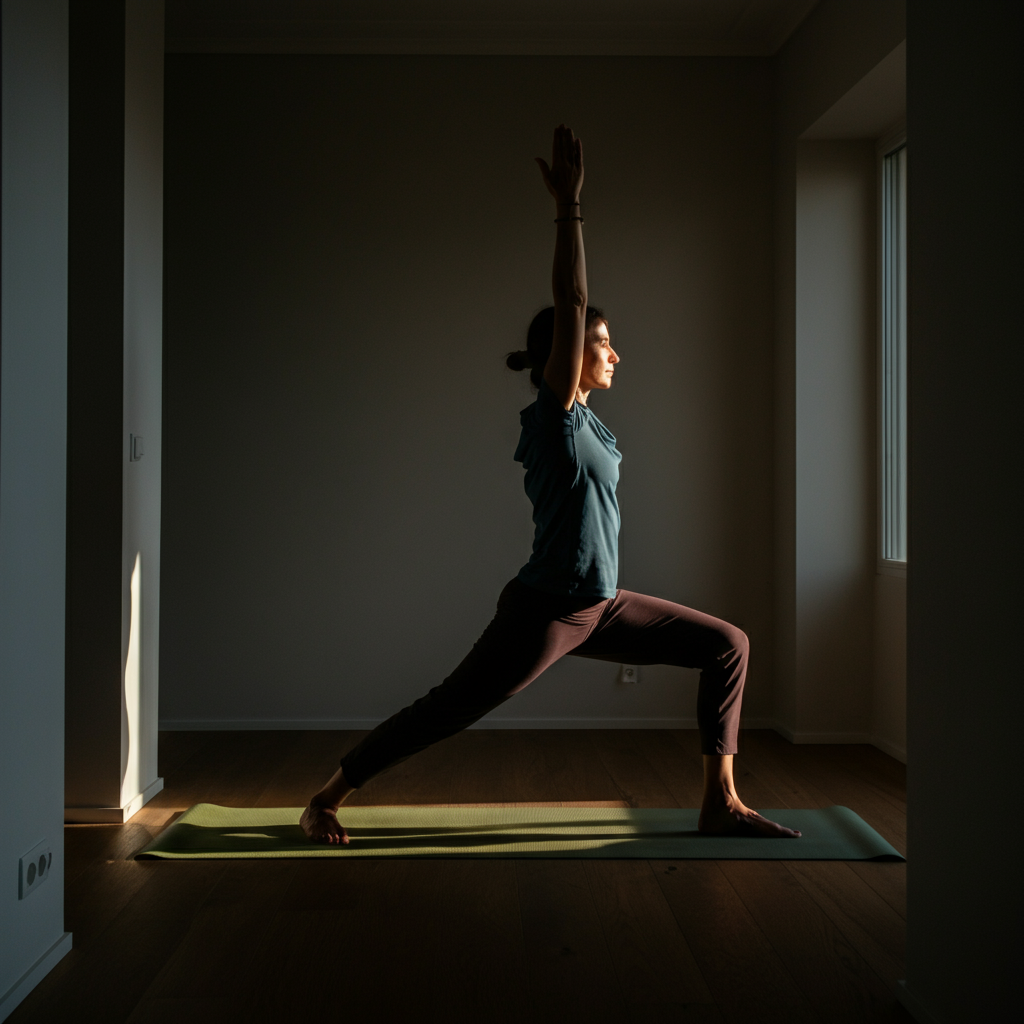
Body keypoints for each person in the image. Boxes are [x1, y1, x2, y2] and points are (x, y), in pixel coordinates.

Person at [300, 124, 800, 845]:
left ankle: (720, 801)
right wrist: (569, 208)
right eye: (602, 343)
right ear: (563, 357)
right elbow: (570, 297)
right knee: (449, 709)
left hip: (603, 602)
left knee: (728, 644)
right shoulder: (555, 417)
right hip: (547, 608)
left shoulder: (594, 427)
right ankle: (325, 798)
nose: (615, 353)